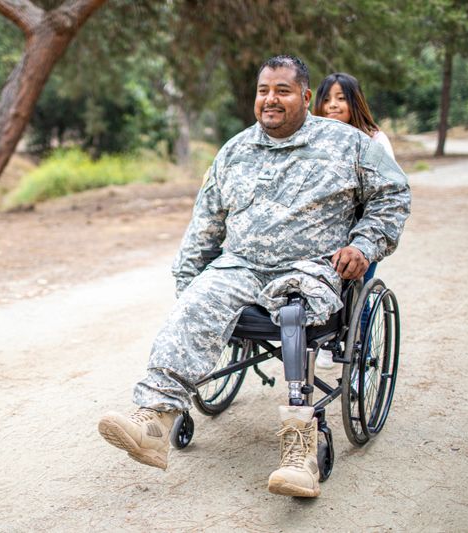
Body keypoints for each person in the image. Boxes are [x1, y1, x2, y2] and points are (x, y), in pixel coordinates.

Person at [98, 55, 410, 498]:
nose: (270, 99)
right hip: (241, 265)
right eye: (264, 90)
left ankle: (300, 453)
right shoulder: (235, 150)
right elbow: (205, 224)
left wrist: (363, 245)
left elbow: (392, 196)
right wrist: (189, 284)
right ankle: (154, 420)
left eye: (282, 91)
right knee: (197, 300)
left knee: (294, 312)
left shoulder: (348, 143)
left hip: (312, 267)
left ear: (305, 97)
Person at [312, 72, 395, 370]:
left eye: (341, 98)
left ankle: (360, 357)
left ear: (355, 102)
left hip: (359, 231)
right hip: (321, 231)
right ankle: (324, 338)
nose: (333, 105)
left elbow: (388, 192)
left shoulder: (373, 139)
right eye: (327, 99)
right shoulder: (312, 138)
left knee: (358, 291)